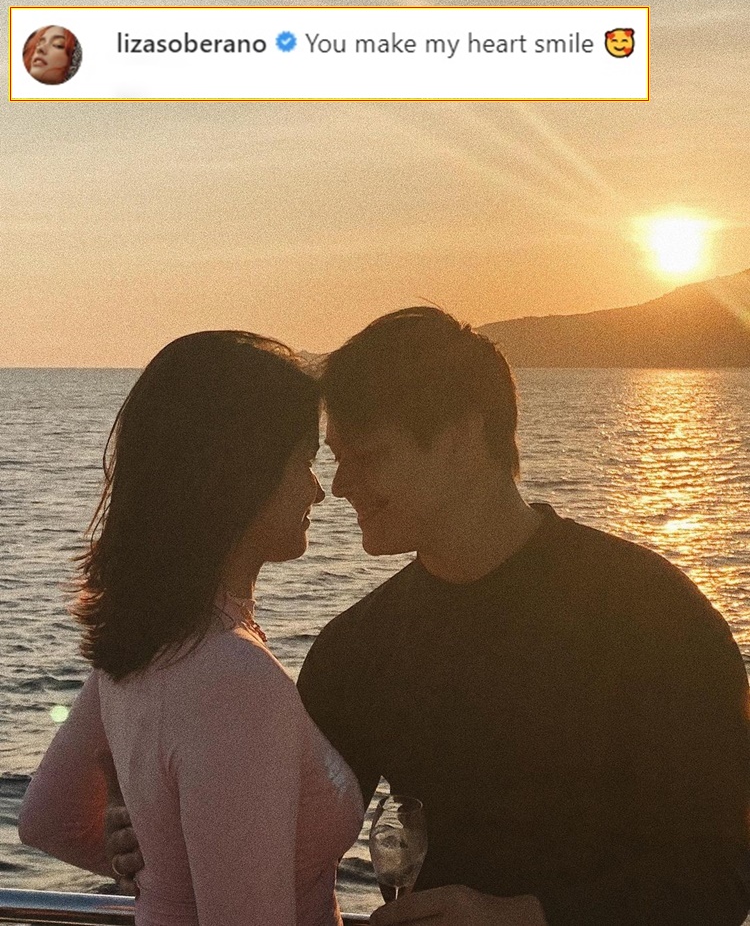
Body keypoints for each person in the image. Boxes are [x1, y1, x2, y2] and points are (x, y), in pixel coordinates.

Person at [108, 308, 750, 925]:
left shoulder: (653, 616)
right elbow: (278, 814)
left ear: (463, 439)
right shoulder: (358, 649)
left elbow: (725, 872)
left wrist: (527, 917)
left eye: (369, 455)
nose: (339, 484)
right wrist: (157, 825)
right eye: (335, 455)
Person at [18, 331, 364, 926]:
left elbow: (49, 819)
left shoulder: (146, 649)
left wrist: (160, 869)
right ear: (241, 471)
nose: (318, 489)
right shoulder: (234, 680)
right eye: (304, 459)